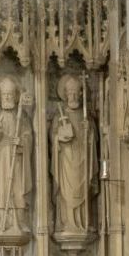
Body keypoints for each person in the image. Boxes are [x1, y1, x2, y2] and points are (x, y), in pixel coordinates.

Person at [0, 75, 33, 240]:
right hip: (0, 161)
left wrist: (22, 142)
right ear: (0, 97)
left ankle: (18, 221)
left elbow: (28, 136)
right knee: (1, 189)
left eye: (10, 95)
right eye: (5, 95)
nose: (7, 98)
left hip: (16, 160)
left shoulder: (22, 116)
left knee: (17, 188)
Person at [51, 73, 96, 235]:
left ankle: (82, 221)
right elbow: (53, 137)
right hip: (66, 160)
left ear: (80, 94)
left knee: (83, 189)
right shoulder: (60, 116)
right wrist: (59, 138)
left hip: (82, 159)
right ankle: (67, 223)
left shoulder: (86, 118)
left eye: (76, 93)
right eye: (70, 93)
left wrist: (89, 130)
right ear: (65, 95)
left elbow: (93, 140)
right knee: (66, 192)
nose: (73, 96)